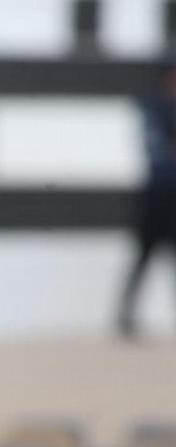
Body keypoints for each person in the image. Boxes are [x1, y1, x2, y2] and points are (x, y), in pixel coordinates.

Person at [118, 60, 176, 338]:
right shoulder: (154, 109)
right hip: (156, 195)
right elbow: (158, 153)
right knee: (143, 257)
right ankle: (125, 316)